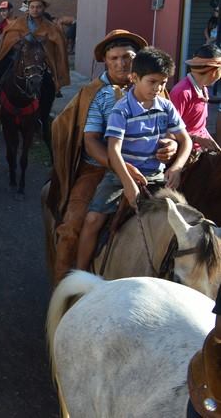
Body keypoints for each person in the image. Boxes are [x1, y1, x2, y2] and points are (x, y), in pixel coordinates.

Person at [47, 30, 173, 281]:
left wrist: (171, 145)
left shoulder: (155, 88)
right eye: (114, 58)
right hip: (98, 168)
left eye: (127, 57)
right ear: (106, 60)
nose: (121, 63)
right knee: (71, 227)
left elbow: (169, 128)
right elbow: (91, 141)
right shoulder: (94, 93)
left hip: (148, 169)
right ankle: (65, 292)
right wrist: (120, 166)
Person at [75, 47, 192, 272]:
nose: (158, 88)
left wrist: (176, 168)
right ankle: (78, 279)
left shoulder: (165, 106)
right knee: (92, 220)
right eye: (152, 82)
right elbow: (113, 150)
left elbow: (185, 140)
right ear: (135, 78)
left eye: (163, 83)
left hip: (156, 176)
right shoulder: (121, 109)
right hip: (120, 176)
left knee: (186, 221)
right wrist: (128, 183)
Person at [0, 0, 69, 120]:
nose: (35, 10)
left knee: (49, 87)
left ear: (43, 9)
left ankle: (43, 118)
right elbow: (8, 39)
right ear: (28, 8)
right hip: (16, 58)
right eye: (32, 7)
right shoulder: (18, 23)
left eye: (38, 7)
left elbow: (57, 46)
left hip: (40, 61)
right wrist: (17, 45)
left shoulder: (50, 27)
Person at [170, 44, 221, 151]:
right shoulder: (182, 92)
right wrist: (197, 139)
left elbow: (200, 127)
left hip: (201, 150)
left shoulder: (203, 88)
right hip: (187, 153)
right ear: (214, 71)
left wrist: (213, 144)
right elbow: (170, 131)